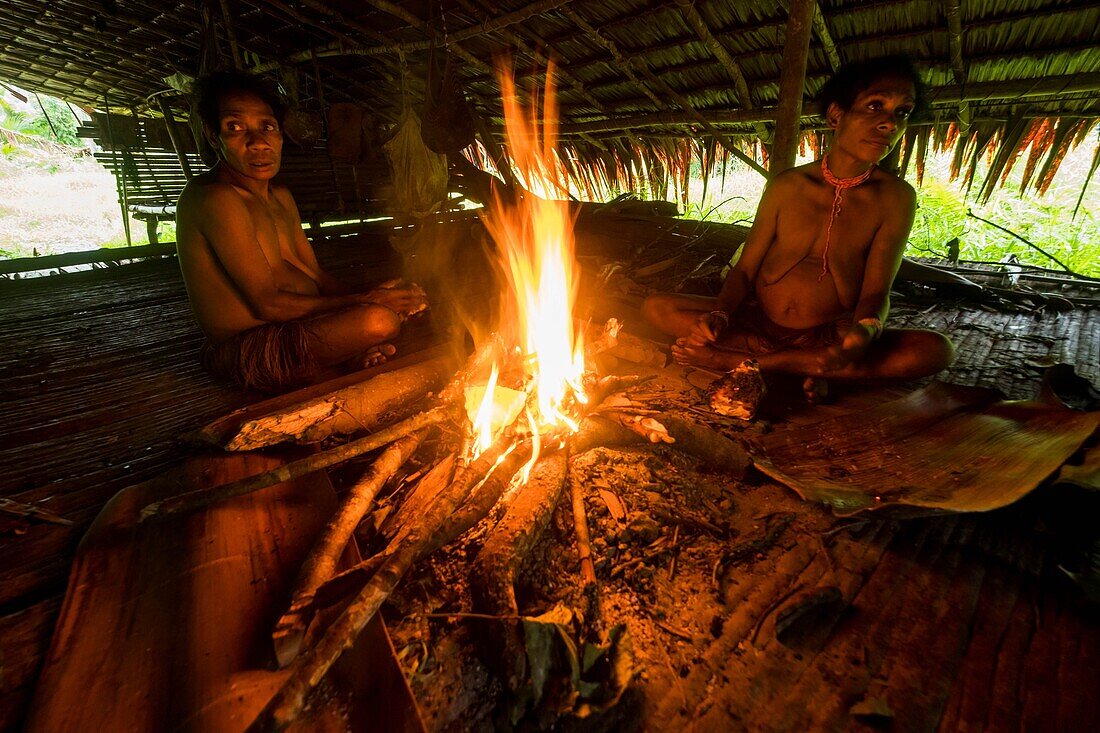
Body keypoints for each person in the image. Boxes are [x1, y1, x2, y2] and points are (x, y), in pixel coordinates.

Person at [642, 56, 953, 396]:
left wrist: (862, 334)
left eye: (902, 112)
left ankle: (736, 362)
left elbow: (876, 292)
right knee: (657, 307)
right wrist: (720, 314)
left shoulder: (896, 198)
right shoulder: (786, 186)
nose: (890, 123)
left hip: (829, 333)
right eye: (875, 106)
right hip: (757, 321)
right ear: (836, 115)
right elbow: (745, 270)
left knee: (935, 350)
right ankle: (807, 366)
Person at [176, 71, 427, 392]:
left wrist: (383, 293)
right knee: (379, 322)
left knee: (391, 300)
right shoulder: (215, 198)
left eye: (267, 126)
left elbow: (319, 279)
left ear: (280, 134)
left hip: (298, 325)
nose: (258, 142)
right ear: (214, 137)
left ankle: (343, 355)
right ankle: (344, 358)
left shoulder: (278, 196)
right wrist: (370, 302)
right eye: (235, 128)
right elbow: (266, 305)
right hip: (249, 347)